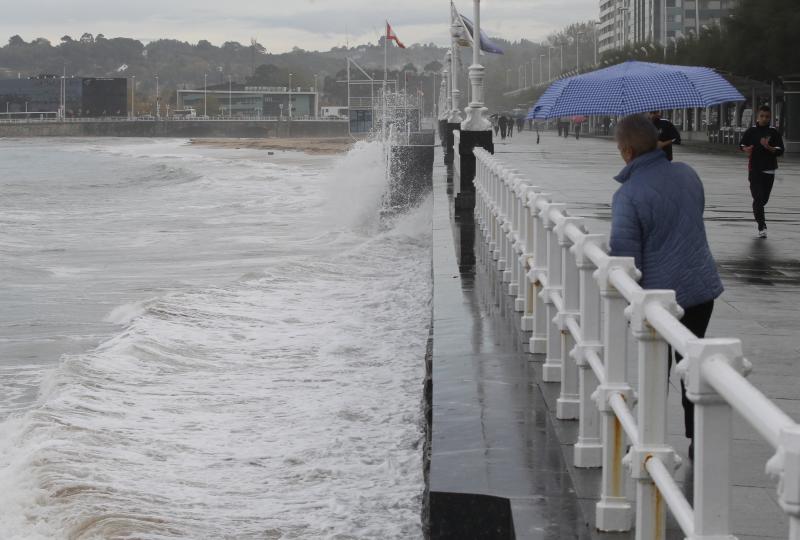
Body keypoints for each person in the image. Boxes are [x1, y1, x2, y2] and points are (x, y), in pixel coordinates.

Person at [609, 114, 724, 460]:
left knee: (655, 369)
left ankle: (650, 438)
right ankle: (697, 440)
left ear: (627, 151)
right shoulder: (688, 174)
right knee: (691, 363)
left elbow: (626, 257)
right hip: (701, 288)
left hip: (661, 300)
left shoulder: (628, 195)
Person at [739, 105, 785, 238]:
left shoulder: (774, 132)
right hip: (754, 169)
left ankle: (758, 212)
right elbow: (742, 144)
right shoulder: (751, 131)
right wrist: (745, 149)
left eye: (767, 117)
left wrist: (769, 148)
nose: (764, 119)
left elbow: (780, 150)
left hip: (769, 170)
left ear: (770, 117)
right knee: (758, 198)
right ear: (757, 116)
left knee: (763, 200)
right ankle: (762, 226)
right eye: (762, 116)